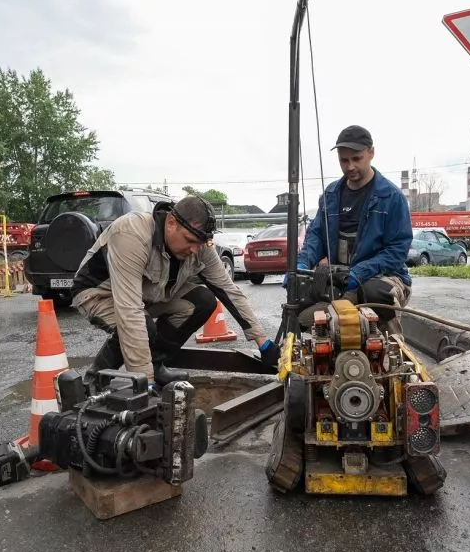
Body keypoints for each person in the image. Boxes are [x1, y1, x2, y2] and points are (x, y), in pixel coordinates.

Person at [71, 195, 280, 388]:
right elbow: (130, 312)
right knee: (142, 326)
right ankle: (94, 381)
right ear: (171, 223)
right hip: (99, 294)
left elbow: (229, 290)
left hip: (149, 294)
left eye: (200, 243)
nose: (195, 250)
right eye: (190, 241)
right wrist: (144, 383)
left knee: (203, 301)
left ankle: (156, 365)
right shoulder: (132, 233)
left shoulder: (199, 244)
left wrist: (263, 342)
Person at [291, 125, 413, 334]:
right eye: (344, 160)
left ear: (371, 153)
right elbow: (316, 236)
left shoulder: (391, 197)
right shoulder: (331, 195)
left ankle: (393, 346)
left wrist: (358, 273)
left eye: (356, 158)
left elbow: (397, 251)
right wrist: (301, 265)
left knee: (374, 296)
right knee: (299, 311)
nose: (350, 166)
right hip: (339, 280)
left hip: (384, 278)